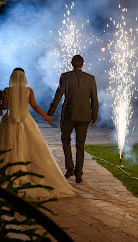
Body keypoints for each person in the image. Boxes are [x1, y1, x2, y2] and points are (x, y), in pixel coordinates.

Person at [0, 67, 76, 200]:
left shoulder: (7, 91)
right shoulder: (29, 91)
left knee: (8, 147)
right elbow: (34, 106)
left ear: (12, 77)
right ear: (24, 77)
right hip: (26, 122)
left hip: (9, 123)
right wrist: (46, 116)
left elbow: (5, 107)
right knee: (30, 147)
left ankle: (9, 172)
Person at [48, 55, 99, 183]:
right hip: (85, 116)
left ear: (72, 63)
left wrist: (51, 112)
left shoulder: (65, 76)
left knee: (65, 140)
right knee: (80, 145)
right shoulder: (91, 78)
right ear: (83, 63)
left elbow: (58, 95)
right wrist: (94, 116)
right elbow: (94, 99)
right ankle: (79, 174)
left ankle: (70, 167)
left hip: (68, 115)